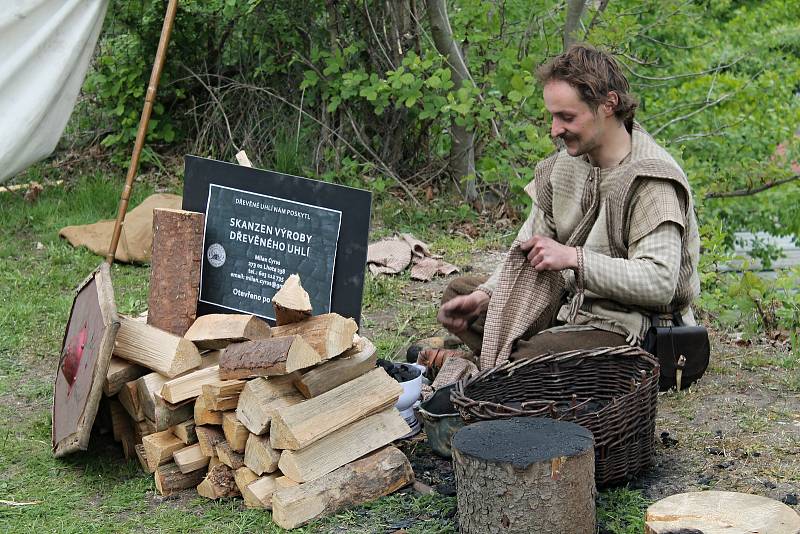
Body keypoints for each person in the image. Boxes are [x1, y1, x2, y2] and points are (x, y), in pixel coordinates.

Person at [433, 44, 700, 371]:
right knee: (459, 294)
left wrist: (574, 258)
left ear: (608, 105)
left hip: (635, 329)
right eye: (553, 116)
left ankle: (504, 362)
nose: (555, 130)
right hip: (570, 307)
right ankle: (514, 355)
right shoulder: (564, 167)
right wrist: (486, 296)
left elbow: (659, 283)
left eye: (567, 117)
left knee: (530, 362)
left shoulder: (652, 179)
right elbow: (528, 245)